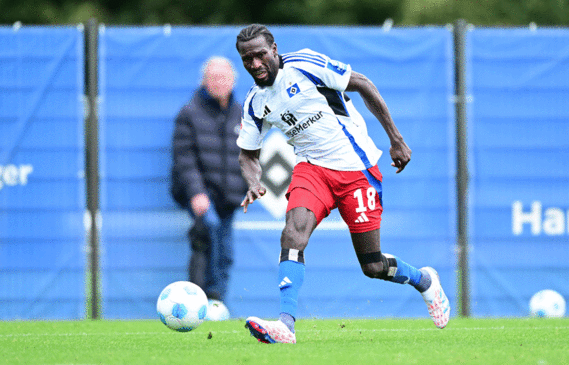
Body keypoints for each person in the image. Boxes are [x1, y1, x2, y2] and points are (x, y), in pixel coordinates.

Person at [234, 24, 450, 344]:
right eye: (246, 59)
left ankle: (424, 280)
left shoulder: (306, 65)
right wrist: (254, 182)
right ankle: (286, 323)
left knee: (373, 265)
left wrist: (396, 139)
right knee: (292, 234)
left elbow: (362, 83)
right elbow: (248, 154)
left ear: (274, 49)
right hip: (312, 170)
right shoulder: (255, 101)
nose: (254, 64)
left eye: (260, 55)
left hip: (356, 170)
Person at [170, 56, 247, 314]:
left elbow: (250, 155)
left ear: (233, 80)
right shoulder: (190, 112)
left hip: (230, 197)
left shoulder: (241, 113)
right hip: (202, 195)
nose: (219, 81)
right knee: (207, 235)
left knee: (225, 253)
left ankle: (217, 303)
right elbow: (184, 158)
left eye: (224, 76)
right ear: (204, 81)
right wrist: (197, 193)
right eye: (214, 77)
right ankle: (200, 300)